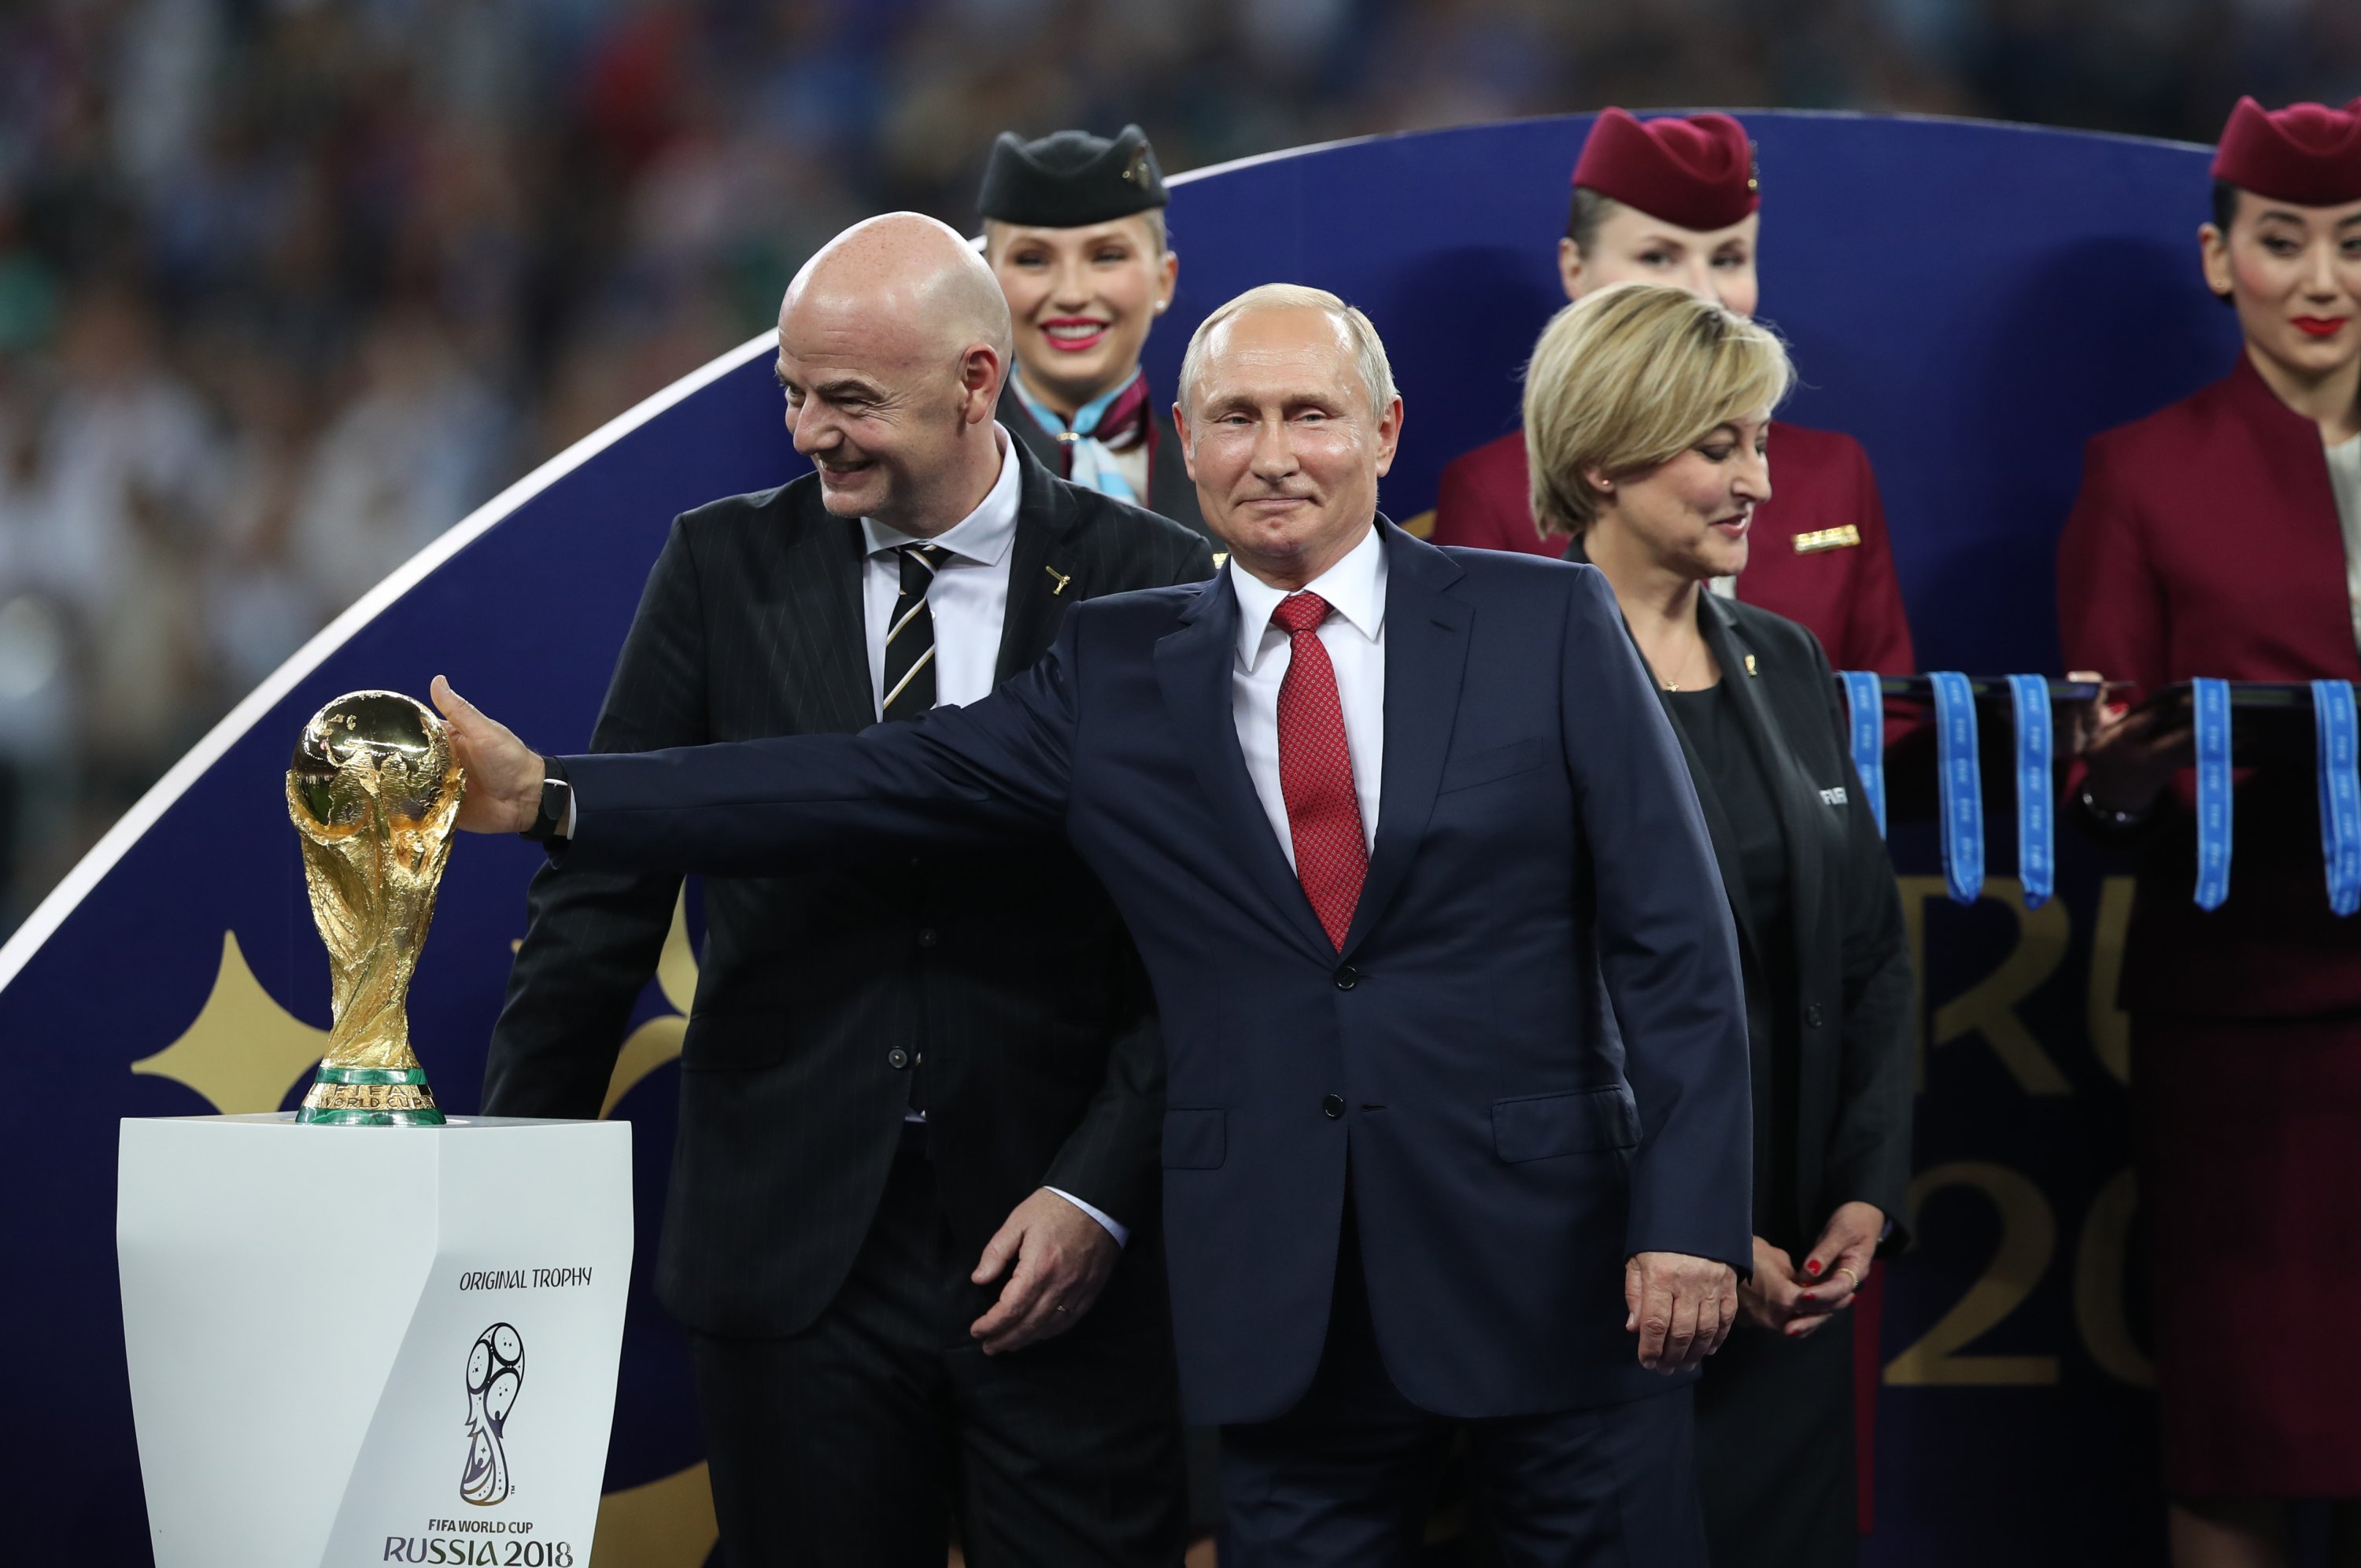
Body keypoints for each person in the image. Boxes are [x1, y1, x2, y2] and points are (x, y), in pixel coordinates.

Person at [438, 282, 1756, 1566]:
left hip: (1557, 1271)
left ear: (1386, 432)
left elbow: (1678, 948)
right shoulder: (1125, 662)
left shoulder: (1546, 622)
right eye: (1236, 418)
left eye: (1313, 414)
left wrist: (1690, 1215)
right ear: (1187, 443)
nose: (1275, 455)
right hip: (1281, 1302)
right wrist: (555, 793)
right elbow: (865, 774)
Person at [479, 212, 1213, 1567]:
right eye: (793, 393)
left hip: (1061, 1248)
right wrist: (505, 1171)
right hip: (790, 1244)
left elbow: (1195, 946)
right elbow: (602, 903)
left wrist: (1103, 1188)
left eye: (851, 400)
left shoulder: (1149, 581)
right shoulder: (720, 565)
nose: (810, 430)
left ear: (977, 383)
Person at [1528, 281, 1914, 1566]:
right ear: (1603, 455)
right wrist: (1692, 1216)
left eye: (1759, 442)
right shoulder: (1507, 670)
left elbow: (1867, 948)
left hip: (1792, 1285)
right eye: (1718, 446)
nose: (1757, 480)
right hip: (1598, 1279)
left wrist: (1865, 1186)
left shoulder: (1787, 659)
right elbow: (1521, 996)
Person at [2060, 96, 2361, 1568]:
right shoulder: (2145, 469)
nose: (2321, 280)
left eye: (2357, 246)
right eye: (2283, 241)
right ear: (2215, 255)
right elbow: (2099, 750)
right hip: (2245, 1017)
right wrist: (2161, 775)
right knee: (2241, 1429)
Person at [1431, 108, 1914, 680]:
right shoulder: (1491, 491)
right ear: (1575, 268)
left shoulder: (1834, 471)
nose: (1701, 292)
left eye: (1729, 259)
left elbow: (1883, 707)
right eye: (1658, 257)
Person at [980, 124, 1212, 544]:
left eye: (1107, 257)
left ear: (1163, 281)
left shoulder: (1229, 469)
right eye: (1033, 260)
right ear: (985, 283)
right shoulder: (937, 473)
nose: (1072, 294)